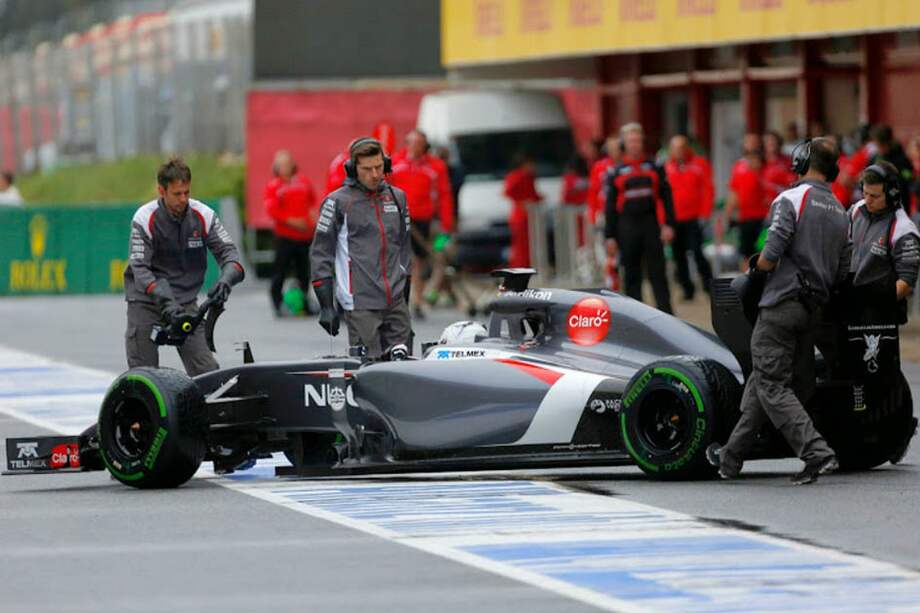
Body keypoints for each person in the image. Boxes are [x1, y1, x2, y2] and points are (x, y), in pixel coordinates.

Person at [708, 137, 851, 485]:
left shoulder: (791, 198)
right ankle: (730, 457)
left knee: (771, 384)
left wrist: (757, 268)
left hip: (780, 305)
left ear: (801, 163)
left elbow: (770, 254)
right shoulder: (841, 209)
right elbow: (843, 270)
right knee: (764, 380)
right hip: (812, 310)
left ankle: (817, 453)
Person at [123, 158, 245, 375]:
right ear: (162, 190)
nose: (183, 199)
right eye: (177, 194)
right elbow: (140, 269)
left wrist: (226, 280)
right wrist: (165, 302)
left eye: (187, 192)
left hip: (186, 303)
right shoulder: (144, 218)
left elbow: (231, 256)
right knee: (143, 374)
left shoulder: (204, 215)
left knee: (208, 372)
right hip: (147, 302)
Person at [310, 137, 412, 358]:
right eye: (367, 169)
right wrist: (326, 305)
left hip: (396, 303)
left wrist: (406, 292)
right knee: (369, 373)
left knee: (406, 371)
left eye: (378, 167)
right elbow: (320, 255)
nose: (375, 174)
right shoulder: (336, 202)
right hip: (360, 304)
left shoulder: (398, 198)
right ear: (352, 169)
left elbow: (404, 248)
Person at [604, 122, 675, 314]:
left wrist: (668, 224)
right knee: (631, 274)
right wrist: (609, 235)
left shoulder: (654, 166)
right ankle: (636, 315)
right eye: (630, 141)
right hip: (626, 226)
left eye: (637, 140)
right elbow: (609, 207)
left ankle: (666, 314)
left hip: (650, 223)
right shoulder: (616, 171)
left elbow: (666, 196)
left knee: (657, 272)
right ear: (624, 144)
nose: (634, 144)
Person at [390, 129, 454, 319]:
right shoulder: (395, 163)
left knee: (440, 254)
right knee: (412, 260)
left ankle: (432, 292)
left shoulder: (436, 167)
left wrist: (447, 222)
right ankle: (416, 300)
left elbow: (444, 195)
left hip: (428, 221)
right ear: (407, 143)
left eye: (420, 143)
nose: (416, 147)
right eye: (412, 143)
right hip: (400, 218)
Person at [264, 150, 319, 317]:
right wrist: (294, 222)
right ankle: (278, 304)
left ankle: (303, 302)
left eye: (288, 163)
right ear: (276, 167)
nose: (286, 167)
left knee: (304, 272)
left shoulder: (303, 182)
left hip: (304, 236)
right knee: (280, 271)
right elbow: (273, 211)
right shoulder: (274, 186)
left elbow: (313, 202)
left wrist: (312, 218)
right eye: (282, 165)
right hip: (285, 237)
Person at [664, 134, 714, 301]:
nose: (678, 151)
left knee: (697, 251)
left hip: (694, 218)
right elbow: (661, 196)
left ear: (687, 148)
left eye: (681, 147)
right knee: (678, 255)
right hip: (674, 219)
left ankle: (709, 286)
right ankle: (687, 289)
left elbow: (708, 189)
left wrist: (705, 213)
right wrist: (663, 220)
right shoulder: (665, 167)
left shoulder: (699, 164)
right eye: (675, 148)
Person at [724, 133, 767, 270]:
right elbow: (733, 191)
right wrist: (728, 213)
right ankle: (747, 284)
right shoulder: (739, 165)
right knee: (745, 253)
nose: (750, 146)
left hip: (765, 217)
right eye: (747, 142)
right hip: (745, 217)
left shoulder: (767, 165)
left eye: (753, 142)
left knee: (764, 252)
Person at [504, 153, 543, 268]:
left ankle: (527, 266)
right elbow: (508, 191)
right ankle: (519, 267)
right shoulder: (517, 176)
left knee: (529, 245)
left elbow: (534, 195)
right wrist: (521, 202)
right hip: (520, 217)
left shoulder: (529, 177)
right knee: (520, 246)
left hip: (529, 216)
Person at [762, 131, 795, 205]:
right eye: (768, 141)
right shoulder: (760, 162)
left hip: (782, 203)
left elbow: (793, 182)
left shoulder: (787, 161)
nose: (771, 143)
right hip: (762, 207)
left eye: (773, 140)